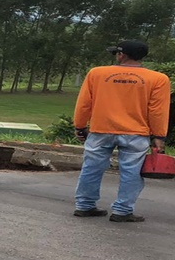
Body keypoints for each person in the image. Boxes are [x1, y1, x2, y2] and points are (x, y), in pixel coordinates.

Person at [72, 39, 170, 223]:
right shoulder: (158, 79)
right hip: (136, 133)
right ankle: (122, 211)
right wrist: (159, 136)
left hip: (101, 129)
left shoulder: (97, 73)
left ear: (121, 54)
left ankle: (84, 206)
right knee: (131, 172)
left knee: (91, 168)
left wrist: (80, 125)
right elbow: (157, 111)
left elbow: (85, 103)